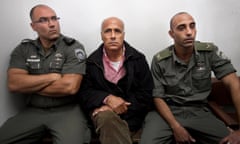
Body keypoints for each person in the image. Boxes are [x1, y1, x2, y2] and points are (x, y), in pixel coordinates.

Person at [140, 12, 240, 144]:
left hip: (198, 111)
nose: (189, 32)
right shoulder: (160, 60)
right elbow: (157, 97)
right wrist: (176, 127)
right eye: (181, 28)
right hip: (166, 112)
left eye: (192, 26)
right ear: (171, 34)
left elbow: (234, 84)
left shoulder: (209, 52)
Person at [0, 4, 90, 144]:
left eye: (54, 19)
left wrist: (29, 85)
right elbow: (14, 84)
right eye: (43, 20)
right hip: (34, 111)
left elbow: (69, 87)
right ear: (33, 26)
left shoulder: (72, 47)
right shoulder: (23, 50)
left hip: (66, 111)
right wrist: (52, 77)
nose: (52, 24)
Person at [78, 17, 153, 144]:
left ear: (123, 35)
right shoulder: (91, 62)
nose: (113, 36)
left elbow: (146, 94)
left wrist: (117, 106)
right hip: (102, 116)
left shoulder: (138, 59)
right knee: (106, 118)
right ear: (102, 36)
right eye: (108, 31)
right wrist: (107, 98)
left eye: (117, 31)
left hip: (133, 116)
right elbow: (84, 93)